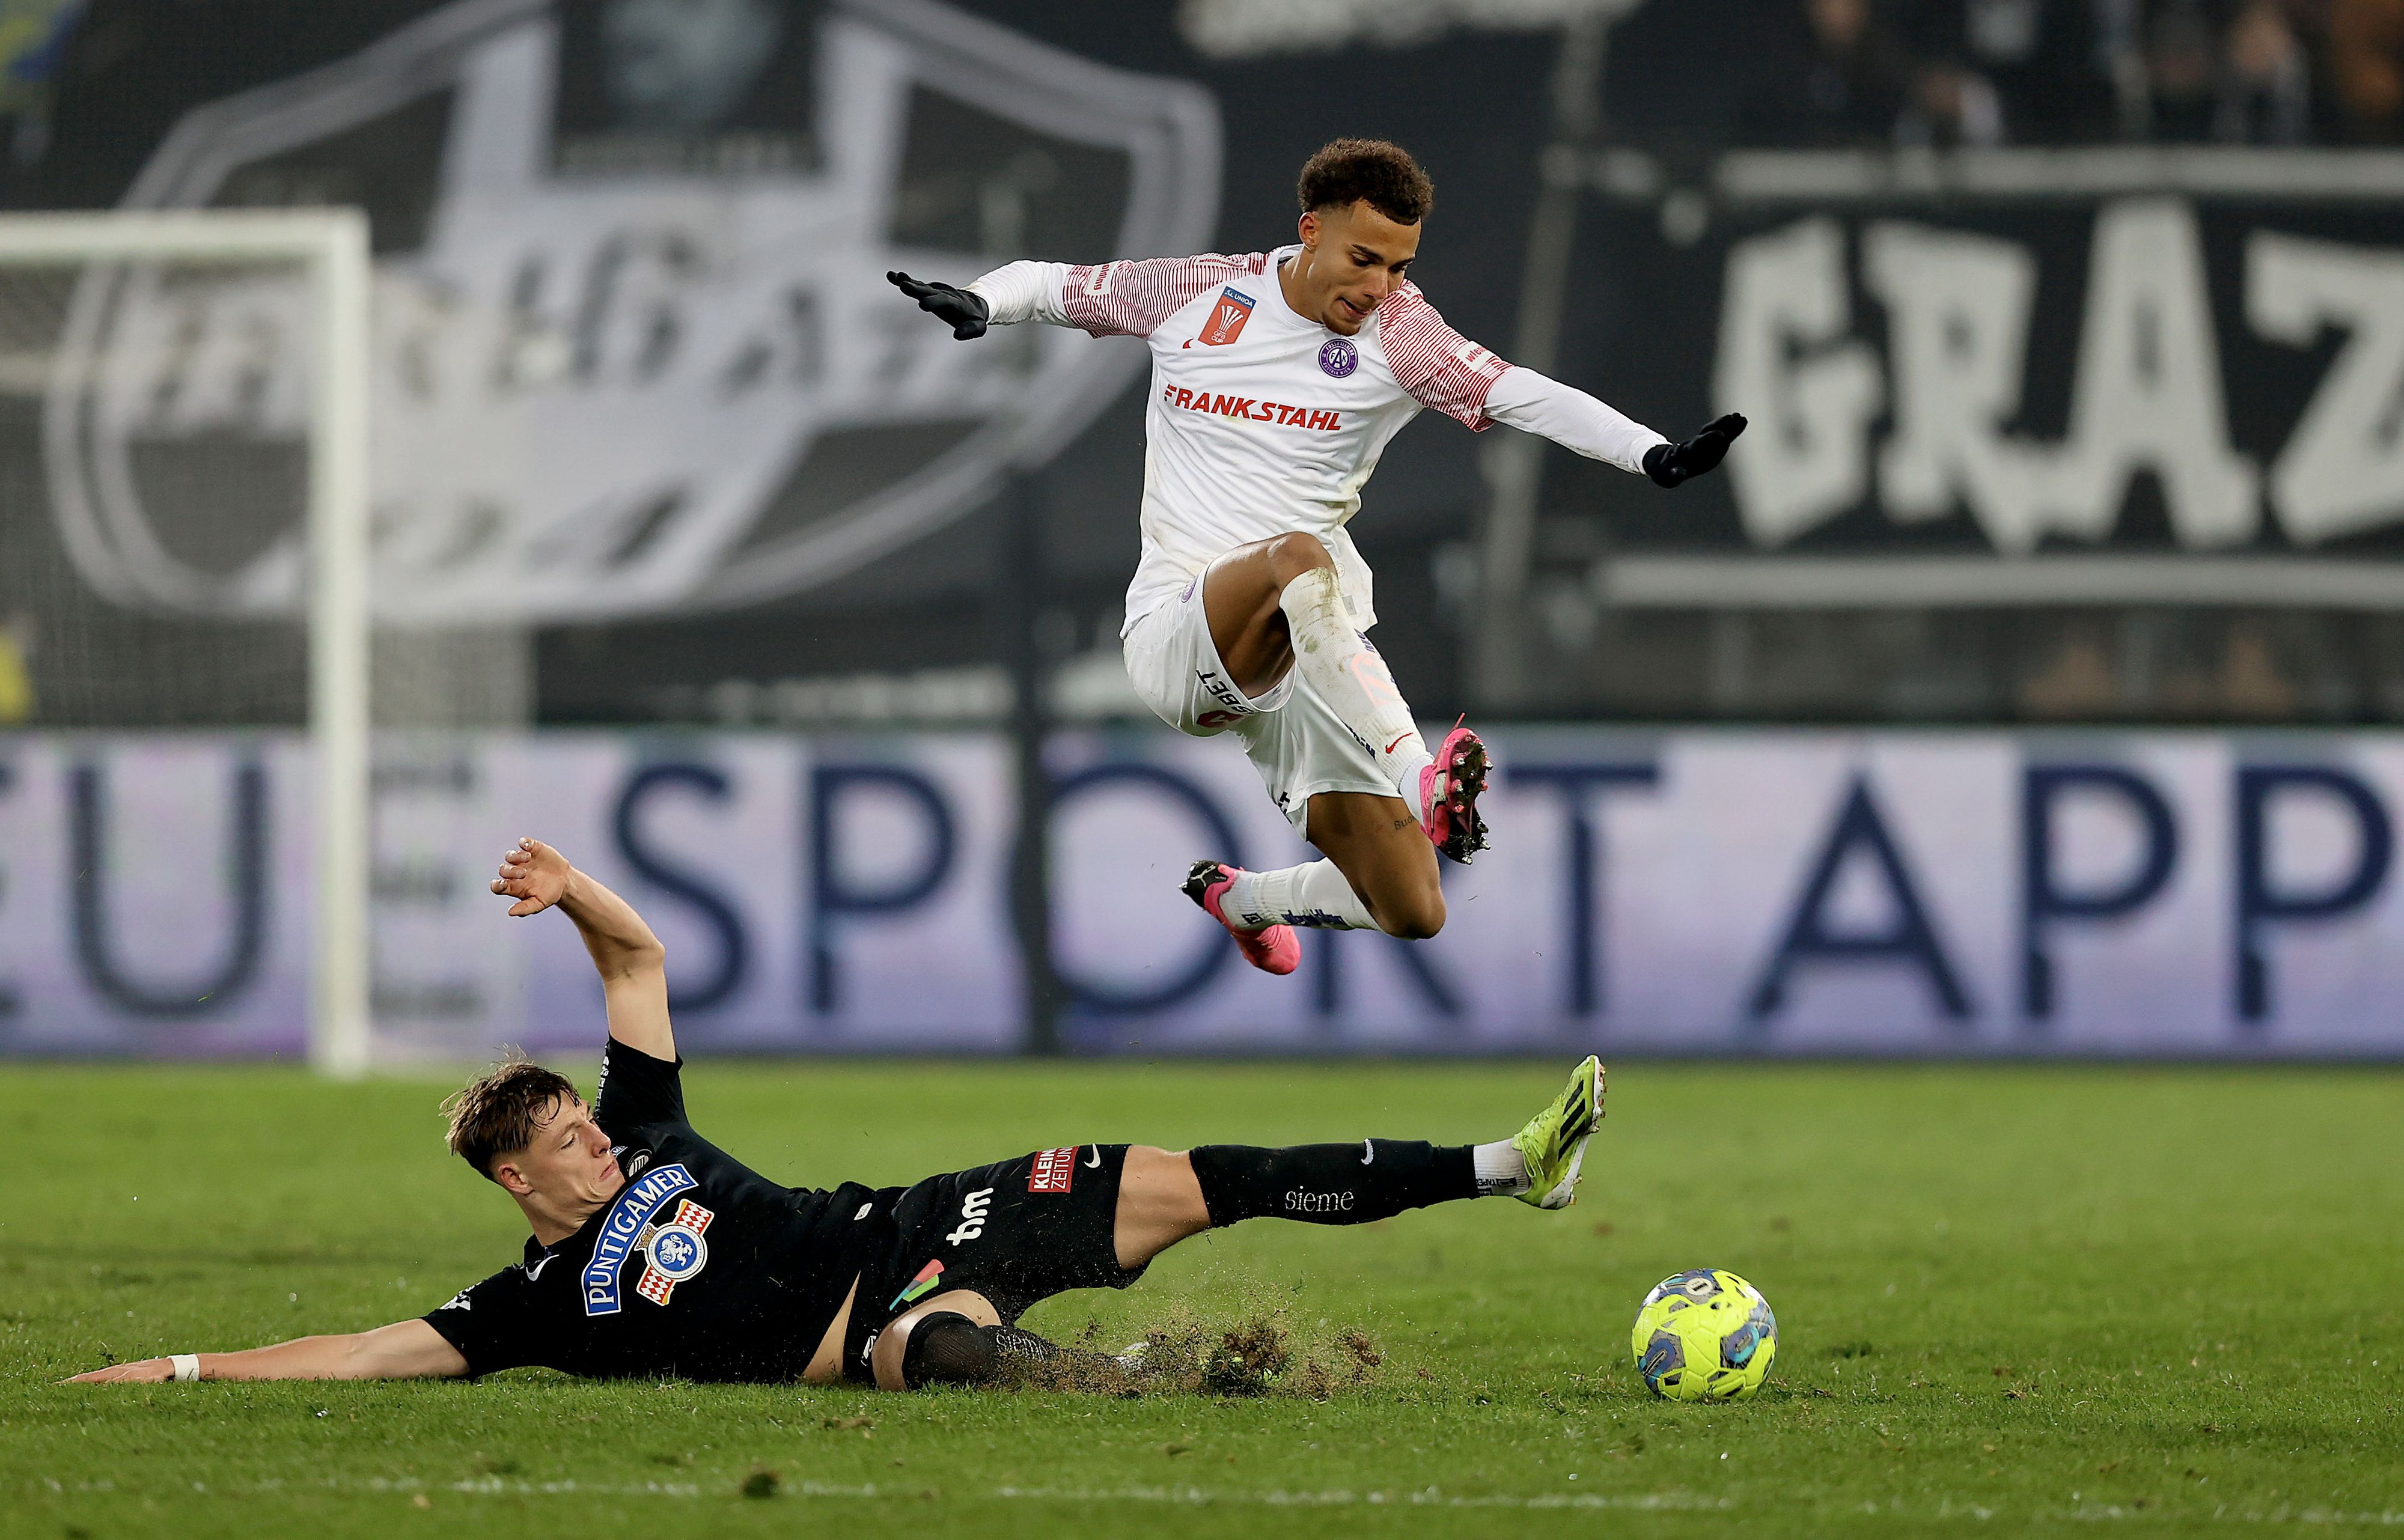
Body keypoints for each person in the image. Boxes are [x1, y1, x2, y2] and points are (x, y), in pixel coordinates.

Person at [67, 837, 1605, 1391]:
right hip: (875, 1324)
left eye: (589, 1124)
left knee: (1208, 1172)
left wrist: (572, 889)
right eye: (569, 1143)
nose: (597, 1139)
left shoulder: (645, 1128)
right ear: (516, 1179)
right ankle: (1138, 1382)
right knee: (931, 1357)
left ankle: (1506, 1163)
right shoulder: (532, 1305)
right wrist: (179, 1366)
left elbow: (637, 960)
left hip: (925, 1215)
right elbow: (355, 1352)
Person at [889, 138, 1741, 978]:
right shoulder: (1199, 292)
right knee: (1298, 555)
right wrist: (983, 299)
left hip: (1308, 660)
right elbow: (1057, 285)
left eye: (1399, 268)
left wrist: (1650, 453)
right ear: (1310, 231)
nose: (1377, 288)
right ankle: (1422, 777)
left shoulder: (1400, 334)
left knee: (1412, 907)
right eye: (1364, 260)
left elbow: (1518, 392)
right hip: (1179, 633)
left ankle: (1243, 901)